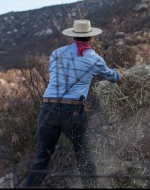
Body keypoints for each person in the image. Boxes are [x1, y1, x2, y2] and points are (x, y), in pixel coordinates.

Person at [25, 19, 122, 188]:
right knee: (83, 155)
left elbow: (55, 76)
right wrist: (121, 75)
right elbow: (111, 77)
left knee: (41, 160)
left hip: (48, 108)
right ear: (91, 38)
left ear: (72, 37)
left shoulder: (56, 53)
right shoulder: (94, 59)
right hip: (73, 111)